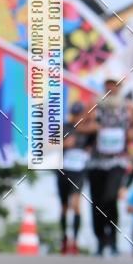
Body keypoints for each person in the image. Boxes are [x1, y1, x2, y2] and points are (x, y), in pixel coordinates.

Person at [84, 75, 133, 257]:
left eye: (114, 85)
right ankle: (100, 240)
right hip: (96, 161)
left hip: (117, 160)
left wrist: (130, 133)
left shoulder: (128, 106)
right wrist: (94, 128)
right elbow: (80, 126)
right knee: (96, 202)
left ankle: (113, 239)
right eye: (108, 85)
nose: (111, 88)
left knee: (110, 197)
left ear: (120, 87)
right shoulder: (94, 105)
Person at [57, 101, 91, 254]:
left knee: (76, 205)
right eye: (75, 114)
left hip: (79, 172)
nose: (77, 117)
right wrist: (64, 144)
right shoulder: (63, 128)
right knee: (64, 207)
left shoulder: (87, 131)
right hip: (63, 171)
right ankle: (64, 239)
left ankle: (75, 242)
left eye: (80, 115)